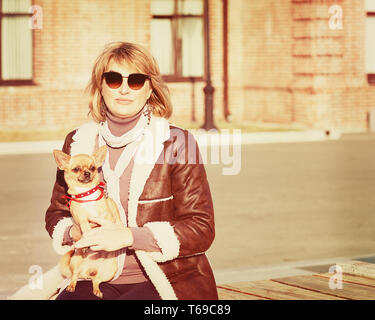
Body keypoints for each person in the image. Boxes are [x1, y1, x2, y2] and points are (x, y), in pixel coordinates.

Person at [45, 41, 218, 300]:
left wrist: (128, 236)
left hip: (166, 278)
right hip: (91, 273)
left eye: (136, 80)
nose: (124, 89)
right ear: (100, 86)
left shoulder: (176, 143)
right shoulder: (78, 142)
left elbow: (201, 227)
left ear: (150, 89)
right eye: (114, 79)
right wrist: (77, 231)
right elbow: (57, 214)